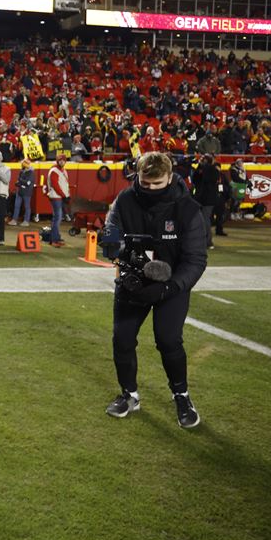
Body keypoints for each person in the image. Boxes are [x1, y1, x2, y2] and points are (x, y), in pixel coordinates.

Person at [102, 152, 207, 429]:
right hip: (134, 280)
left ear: (170, 177)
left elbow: (195, 260)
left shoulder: (187, 209)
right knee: (122, 339)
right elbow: (111, 233)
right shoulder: (124, 200)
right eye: (144, 183)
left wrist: (169, 288)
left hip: (171, 285)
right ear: (137, 176)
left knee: (168, 340)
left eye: (157, 184)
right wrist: (115, 248)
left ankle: (181, 396)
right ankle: (129, 395)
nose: (149, 189)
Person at [190, 153, 221, 249]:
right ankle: (200, 241)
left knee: (205, 220)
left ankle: (208, 242)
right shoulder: (201, 169)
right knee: (198, 220)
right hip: (200, 198)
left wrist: (204, 167)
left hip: (208, 199)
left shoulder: (213, 170)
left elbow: (208, 179)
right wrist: (200, 167)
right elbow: (194, 179)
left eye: (203, 160)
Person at [45, 152, 69, 247]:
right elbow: (55, 185)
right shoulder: (55, 170)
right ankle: (54, 239)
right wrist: (64, 195)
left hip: (60, 196)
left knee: (58, 218)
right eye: (60, 160)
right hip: (56, 196)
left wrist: (67, 195)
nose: (62, 162)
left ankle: (56, 237)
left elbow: (65, 185)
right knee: (57, 218)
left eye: (63, 160)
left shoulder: (63, 170)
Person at [11, 157, 35, 226]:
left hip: (27, 192)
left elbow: (27, 183)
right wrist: (20, 182)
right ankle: (14, 220)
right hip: (20, 191)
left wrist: (20, 181)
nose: (23, 165)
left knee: (27, 207)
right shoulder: (21, 171)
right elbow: (18, 182)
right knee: (16, 206)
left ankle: (26, 221)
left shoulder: (31, 172)